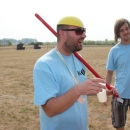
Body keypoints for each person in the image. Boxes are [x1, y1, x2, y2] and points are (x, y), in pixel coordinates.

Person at [33, 16, 107, 130]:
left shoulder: (79, 59)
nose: (84, 35)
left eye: (84, 31)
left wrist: (102, 90)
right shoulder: (44, 65)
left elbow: (81, 89)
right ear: (63, 34)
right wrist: (79, 90)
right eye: (79, 31)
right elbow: (49, 109)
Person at [106, 18, 130, 130]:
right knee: (119, 126)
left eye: (127, 28)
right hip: (120, 94)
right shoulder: (114, 51)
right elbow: (109, 73)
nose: (126, 32)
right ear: (118, 34)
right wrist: (106, 91)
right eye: (122, 30)